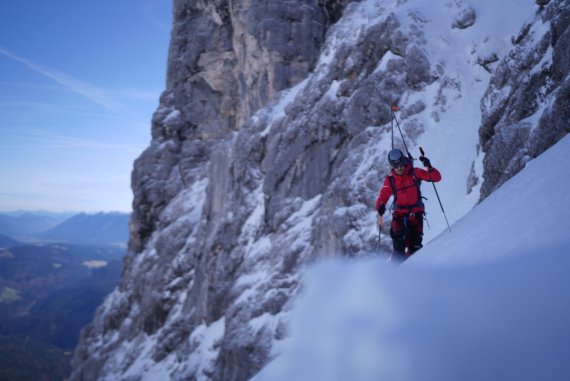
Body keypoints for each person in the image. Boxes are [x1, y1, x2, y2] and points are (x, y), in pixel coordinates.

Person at [375, 148, 442, 261]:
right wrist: (380, 206)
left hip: (416, 215)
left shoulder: (414, 173)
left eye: (401, 165)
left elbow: (436, 177)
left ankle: (412, 270)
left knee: (415, 247)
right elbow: (383, 196)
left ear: (404, 162)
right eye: (396, 167)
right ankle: (394, 271)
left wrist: (429, 167)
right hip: (399, 216)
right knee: (399, 248)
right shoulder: (390, 181)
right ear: (392, 167)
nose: (399, 168)